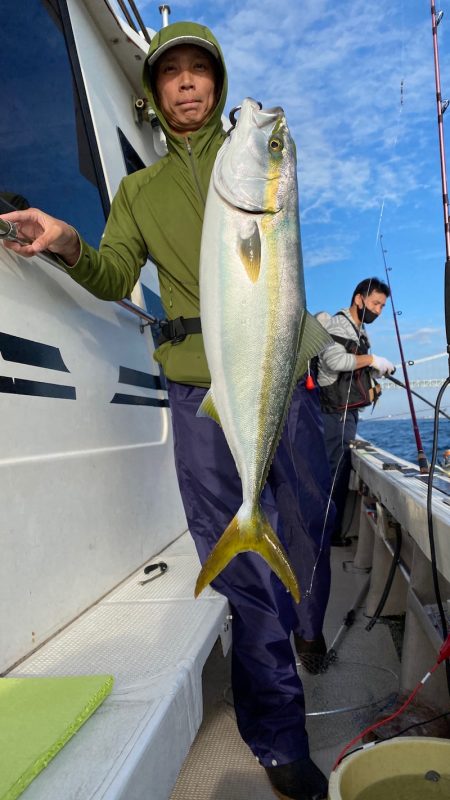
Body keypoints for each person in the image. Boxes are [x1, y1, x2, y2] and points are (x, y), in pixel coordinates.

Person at [1, 22, 334, 800]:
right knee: (248, 570)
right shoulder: (139, 192)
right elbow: (115, 273)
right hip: (200, 396)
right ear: (154, 92)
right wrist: (68, 242)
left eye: (199, 70)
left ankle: (311, 626)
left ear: (218, 83)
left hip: (282, 384)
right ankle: (281, 738)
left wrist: (265, 147)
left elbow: (273, 221)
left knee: (309, 535)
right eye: (171, 72)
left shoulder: (245, 165)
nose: (186, 82)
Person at [317, 277, 394, 546]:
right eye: (375, 304)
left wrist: (375, 369)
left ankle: (331, 533)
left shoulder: (359, 331)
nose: (378, 311)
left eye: (382, 306)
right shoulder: (339, 324)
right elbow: (334, 360)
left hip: (346, 413)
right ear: (359, 299)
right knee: (334, 474)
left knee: (339, 471)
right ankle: (325, 536)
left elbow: (354, 365)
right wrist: (372, 359)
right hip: (334, 413)